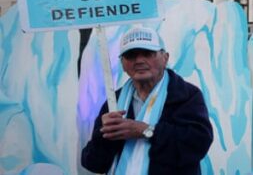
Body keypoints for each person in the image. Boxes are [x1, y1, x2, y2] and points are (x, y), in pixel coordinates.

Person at [81, 25, 213, 175]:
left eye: (147, 53)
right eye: (131, 55)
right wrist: (103, 135)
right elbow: (93, 163)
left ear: (165, 58)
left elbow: (198, 144)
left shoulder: (186, 95)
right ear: (123, 63)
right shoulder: (114, 102)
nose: (139, 60)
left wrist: (146, 130)